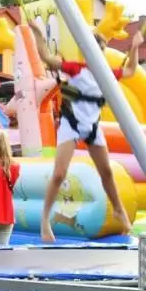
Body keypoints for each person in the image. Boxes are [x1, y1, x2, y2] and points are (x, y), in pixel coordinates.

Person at [31, 21, 142, 242]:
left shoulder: (107, 75)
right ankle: (44, 219)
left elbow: (130, 70)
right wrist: (38, 33)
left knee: (107, 172)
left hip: (92, 127)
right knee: (59, 174)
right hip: (71, 123)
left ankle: (118, 209)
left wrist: (136, 46)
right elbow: (46, 57)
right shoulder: (76, 69)